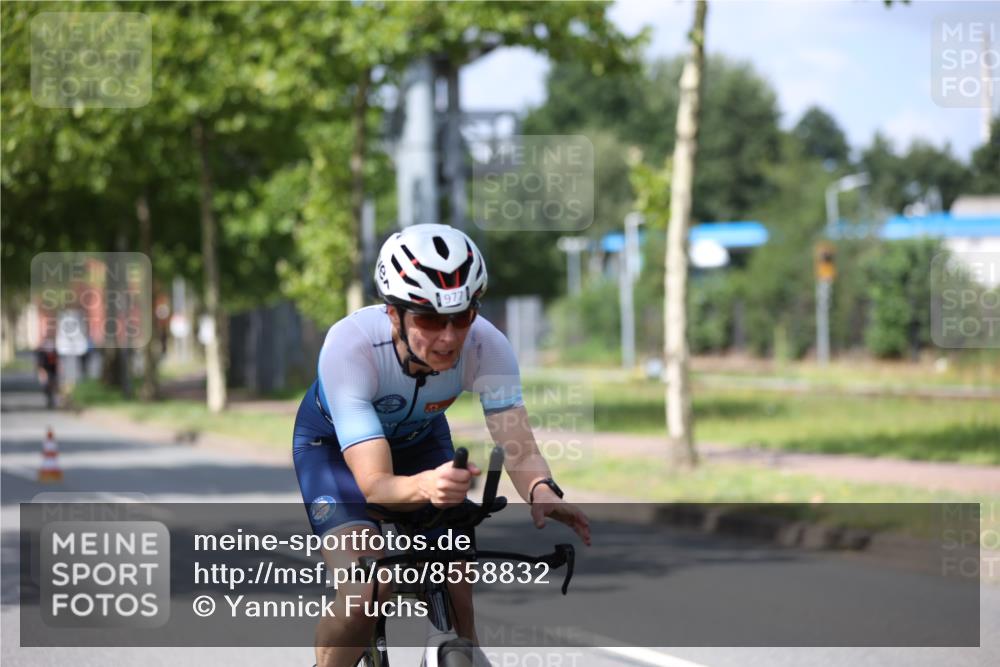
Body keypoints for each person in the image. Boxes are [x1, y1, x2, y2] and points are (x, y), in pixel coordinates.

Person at [292, 223, 591, 667]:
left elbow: (518, 445)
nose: (449, 337)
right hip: (334, 450)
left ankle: (463, 651)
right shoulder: (350, 347)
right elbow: (375, 484)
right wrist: (427, 488)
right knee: (365, 594)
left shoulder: (487, 346)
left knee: (455, 574)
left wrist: (543, 490)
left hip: (420, 439)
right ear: (394, 315)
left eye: (463, 316)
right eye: (430, 320)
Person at [36, 338, 59, 409]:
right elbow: (40, 363)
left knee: (53, 385)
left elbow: (57, 360)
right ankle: (49, 399)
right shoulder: (42, 352)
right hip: (45, 370)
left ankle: (52, 400)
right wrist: (41, 371)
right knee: (46, 385)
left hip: (53, 370)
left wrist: (59, 368)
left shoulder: (55, 350)